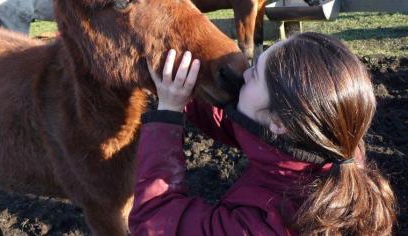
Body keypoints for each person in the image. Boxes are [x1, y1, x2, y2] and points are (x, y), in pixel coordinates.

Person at [129, 32, 396, 235]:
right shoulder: (335, 145)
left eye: (254, 74)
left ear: (279, 122)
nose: (243, 75)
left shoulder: (265, 225)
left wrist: (168, 113)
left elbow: (156, 219)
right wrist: (185, 90)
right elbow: (242, 126)